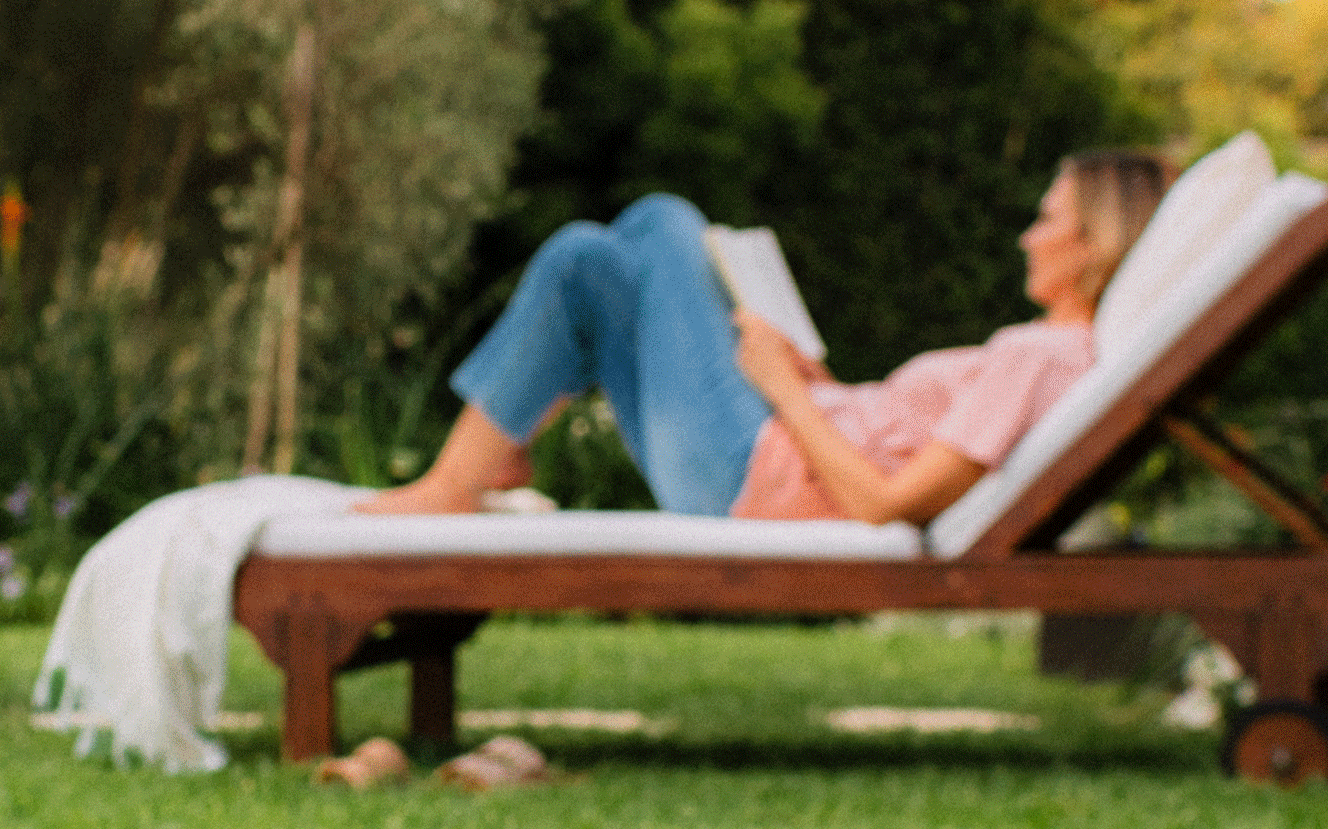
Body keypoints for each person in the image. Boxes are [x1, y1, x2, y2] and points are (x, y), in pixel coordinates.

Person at [358, 152, 1172, 525]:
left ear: (1094, 243)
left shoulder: (1040, 360)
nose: (1027, 237)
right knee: (589, 263)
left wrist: (783, 389)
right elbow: (894, 445)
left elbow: (885, 503)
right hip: (764, 447)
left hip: (750, 471)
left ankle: (462, 475)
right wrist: (809, 380)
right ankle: (483, 460)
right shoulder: (1048, 355)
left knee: (662, 220)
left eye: (1047, 220)